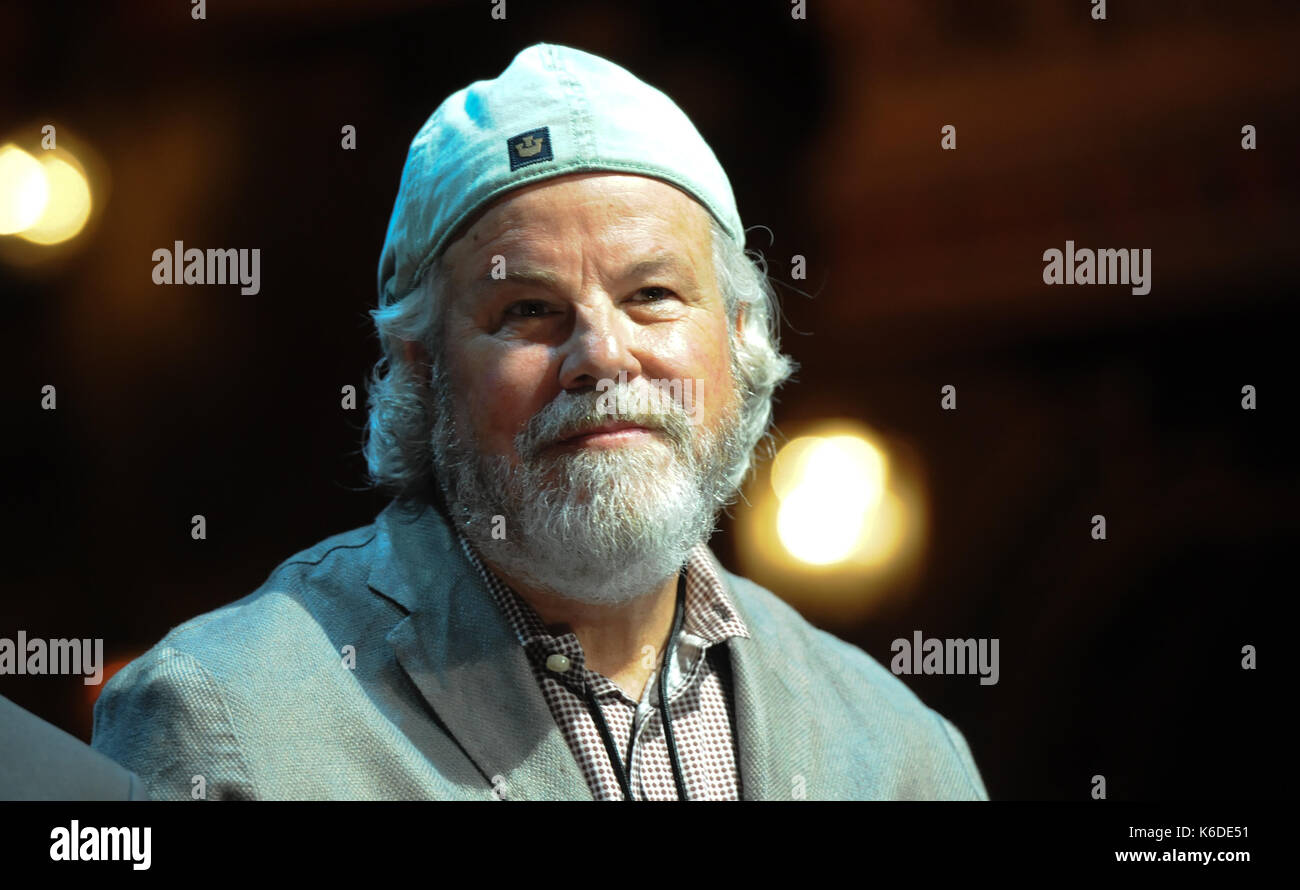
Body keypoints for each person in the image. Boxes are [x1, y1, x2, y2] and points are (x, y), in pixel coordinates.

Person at [91, 43, 988, 801]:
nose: (601, 354)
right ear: (421, 369)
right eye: (526, 310)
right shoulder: (222, 714)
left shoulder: (903, 752)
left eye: (653, 296)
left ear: (742, 337)